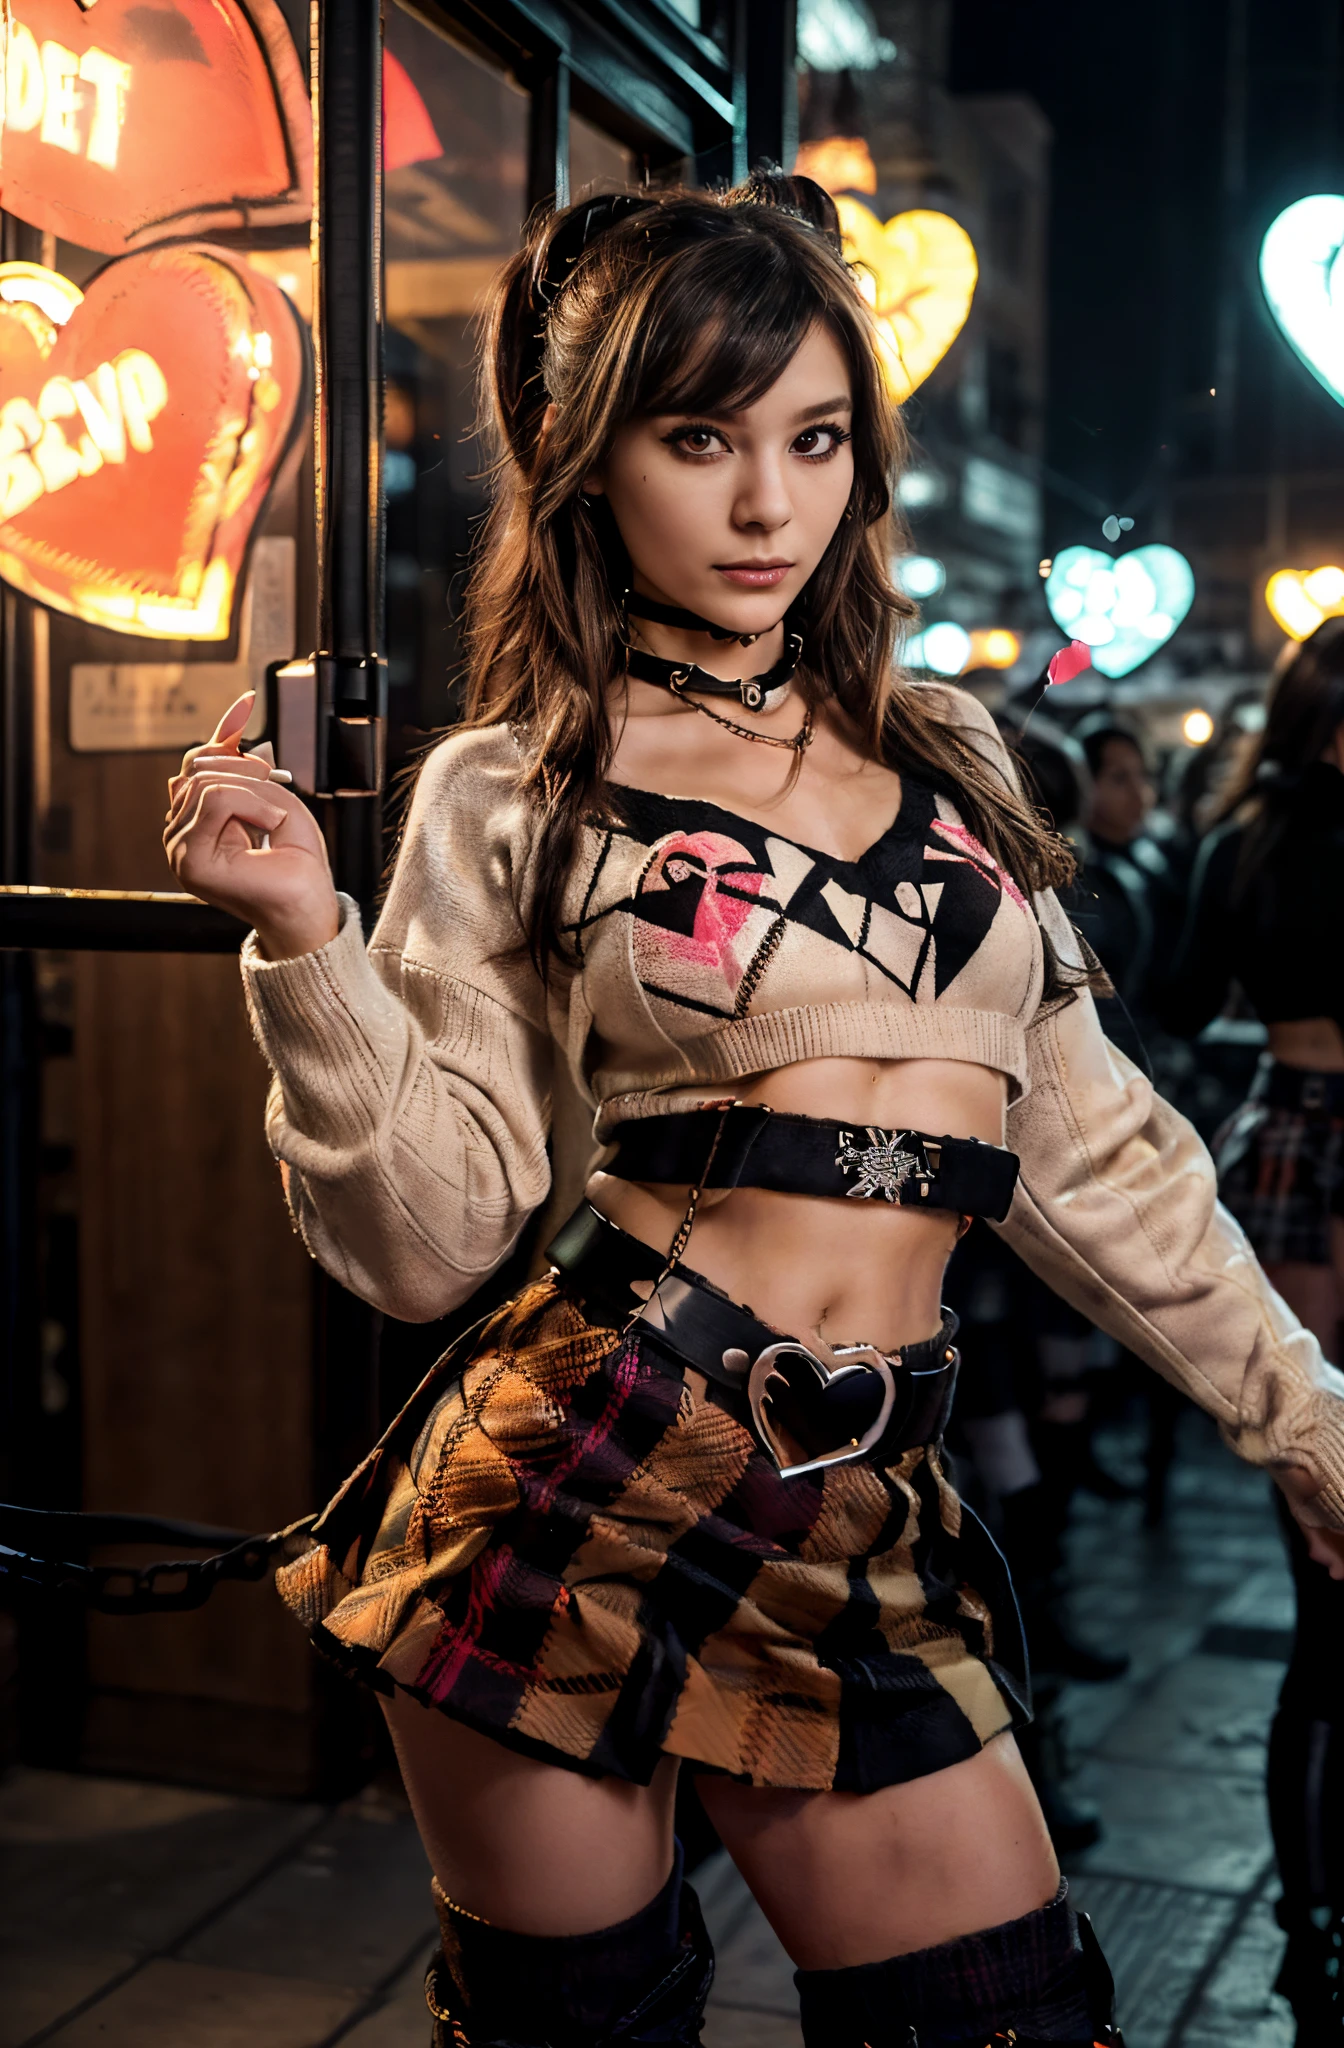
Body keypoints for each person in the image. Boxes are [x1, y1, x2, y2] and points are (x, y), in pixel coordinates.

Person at [163, 176, 1344, 2048]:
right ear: (584, 456)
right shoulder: (512, 786)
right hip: (581, 1469)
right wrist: (308, 945)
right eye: (697, 437)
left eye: (814, 438)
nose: (767, 504)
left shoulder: (948, 751)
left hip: (868, 1507)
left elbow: (1097, 1141)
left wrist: (1308, 1416)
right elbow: (428, 1243)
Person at [1163, 619, 1344, 2041]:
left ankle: (1306, 1922)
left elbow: (1168, 1004)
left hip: (1278, 1143)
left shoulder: (1238, 848)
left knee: (1320, 1600)